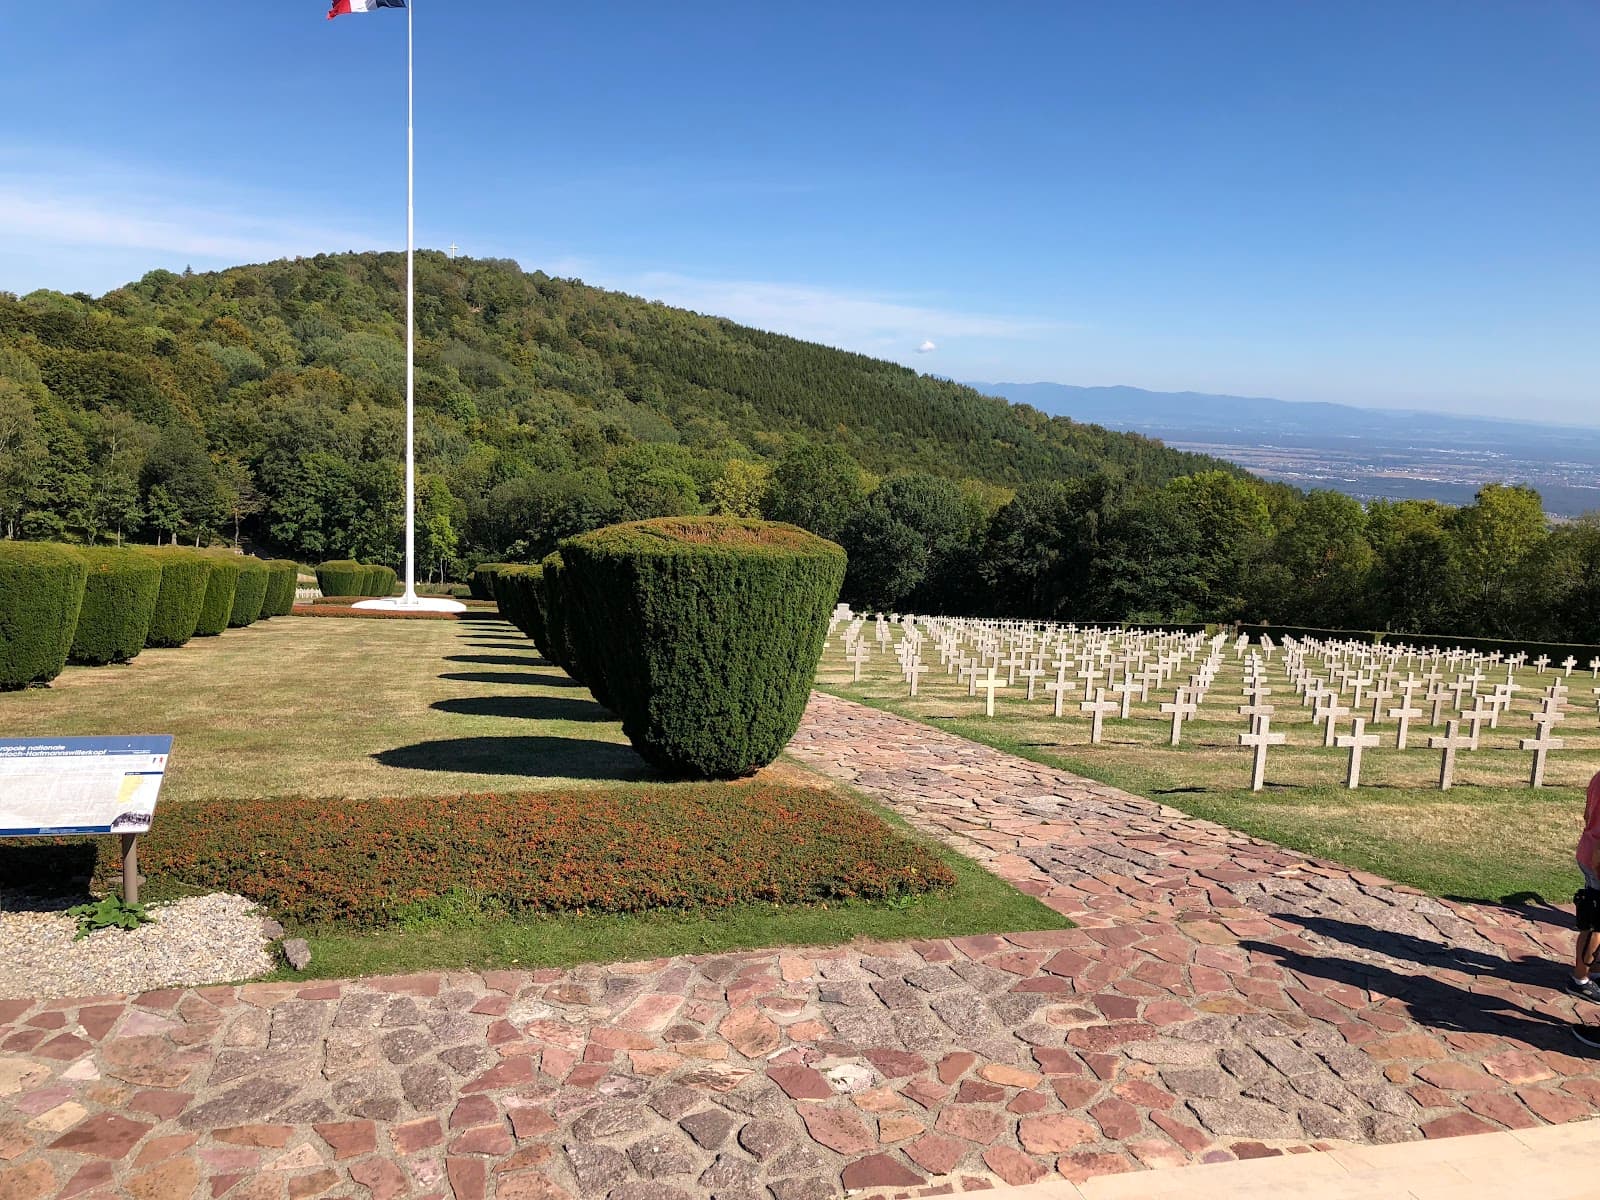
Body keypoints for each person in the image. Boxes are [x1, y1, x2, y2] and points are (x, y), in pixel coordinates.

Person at [1570, 773, 1600, 1048]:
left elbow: (1586, 814)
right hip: (1597, 858)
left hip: (1588, 849)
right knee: (1593, 923)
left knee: (1592, 920)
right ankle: (1581, 976)